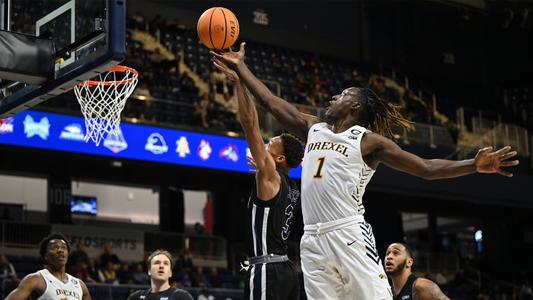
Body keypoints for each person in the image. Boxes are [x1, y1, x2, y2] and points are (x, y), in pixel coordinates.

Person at [212, 43, 519, 300]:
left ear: (355, 106)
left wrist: (473, 165)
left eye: (342, 94)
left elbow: (426, 168)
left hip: (348, 233)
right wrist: (241, 67)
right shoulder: (314, 128)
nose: (333, 98)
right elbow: (270, 102)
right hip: (312, 241)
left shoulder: (369, 142)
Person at [217, 60, 304, 300]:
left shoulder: (270, 174)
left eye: (269, 145)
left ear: (279, 158)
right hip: (286, 269)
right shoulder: (291, 185)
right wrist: (264, 169)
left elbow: (250, 124)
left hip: (267, 269)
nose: (264, 147)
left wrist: (239, 83)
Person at [6, 233, 91, 299]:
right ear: (45, 256)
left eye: (64, 247)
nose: (60, 250)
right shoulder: (35, 279)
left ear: (68, 254)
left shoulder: (80, 285)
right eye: (55, 247)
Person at [385, 243, 450, 300]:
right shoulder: (387, 292)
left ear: (409, 262)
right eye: (387, 254)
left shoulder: (422, 286)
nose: (389, 257)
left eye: (396, 253)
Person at [127, 249, 193, 300]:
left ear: (170, 273)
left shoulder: (182, 297)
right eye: (157, 263)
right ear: (149, 271)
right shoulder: (136, 297)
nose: (161, 266)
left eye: (166, 263)